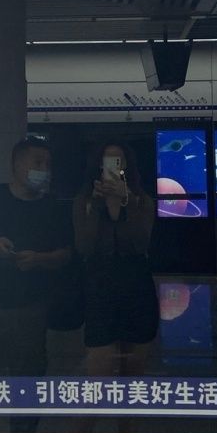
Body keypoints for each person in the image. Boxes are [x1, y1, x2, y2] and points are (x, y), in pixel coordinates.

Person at [0, 137, 71, 432]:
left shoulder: (52, 206)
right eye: (37, 162)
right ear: (16, 164)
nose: (43, 170)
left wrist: (39, 259)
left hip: (31, 311)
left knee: (26, 393)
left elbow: (65, 255)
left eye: (47, 164)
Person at [73, 142, 158, 378]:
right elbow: (84, 247)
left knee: (134, 367)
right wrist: (96, 205)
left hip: (136, 285)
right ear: (99, 165)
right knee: (99, 364)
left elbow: (141, 244)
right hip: (99, 286)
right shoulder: (85, 200)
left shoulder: (142, 200)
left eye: (118, 160)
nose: (113, 165)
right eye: (107, 160)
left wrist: (128, 201)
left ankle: (128, 405)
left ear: (126, 165)